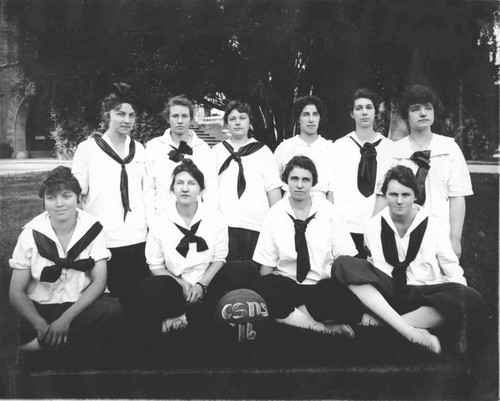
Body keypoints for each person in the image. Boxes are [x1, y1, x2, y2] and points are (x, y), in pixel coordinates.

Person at [333, 166, 482, 354]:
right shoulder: (373, 225)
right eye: (393, 194)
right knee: (343, 264)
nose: (399, 201)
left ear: (415, 196)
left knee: (472, 299)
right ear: (385, 195)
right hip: (388, 291)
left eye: (405, 195)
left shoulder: (433, 224)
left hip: (424, 292)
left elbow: (451, 269)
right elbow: (372, 266)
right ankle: (409, 332)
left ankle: (385, 323)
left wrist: (460, 298)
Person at [124, 160, 259, 339]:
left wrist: (202, 285)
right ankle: (201, 317)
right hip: (176, 287)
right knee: (142, 288)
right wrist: (181, 284)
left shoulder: (214, 218)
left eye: (191, 183)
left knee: (246, 268)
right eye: (179, 183)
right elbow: (155, 265)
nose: (185, 188)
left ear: (201, 189)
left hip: (208, 284)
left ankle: (183, 319)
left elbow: (219, 258)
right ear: (172, 189)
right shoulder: (160, 221)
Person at [9, 166, 122, 352]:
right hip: (43, 305)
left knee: (113, 311)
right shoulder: (30, 234)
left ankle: (41, 344)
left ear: (78, 198)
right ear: (44, 202)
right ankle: (60, 339)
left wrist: (66, 319)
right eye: (51, 197)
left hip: (81, 304)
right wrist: (39, 323)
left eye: (66, 196)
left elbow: (99, 282)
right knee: (22, 320)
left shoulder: (92, 230)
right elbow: (16, 291)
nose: (59, 203)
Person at [253, 156, 364, 337]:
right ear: (286, 181)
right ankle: (325, 329)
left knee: (344, 302)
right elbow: (267, 265)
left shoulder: (329, 211)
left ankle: (291, 316)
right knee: (267, 287)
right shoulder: (275, 214)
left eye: (306, 180)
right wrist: (266, 291)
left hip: (320, 285)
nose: (299, 185)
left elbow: (345, 258)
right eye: (294, 179)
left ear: (313, 183)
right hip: (288, 283)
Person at [72, 83, 149, 299]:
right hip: (104, 238)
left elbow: (145, 191)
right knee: (112, 299)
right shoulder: (88, 149)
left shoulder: (140, 149)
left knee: (138, 297)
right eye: (120, 113)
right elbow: (77, 195)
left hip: (137, 236)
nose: (127, 120)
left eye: (132, 115)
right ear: (108, 115)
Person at [392, 84, 472, 258]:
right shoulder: (395, 151)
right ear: (406, 115)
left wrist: (455, 238)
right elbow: (385, 196)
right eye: (415, 109)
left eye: (428, 108)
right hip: (402, 232)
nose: (423, 113)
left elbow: (457, 196)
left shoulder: (449, 148)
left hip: (439, 232)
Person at [212, 100, 282, 261]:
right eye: (232, 119)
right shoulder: (216, 152)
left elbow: (273, 190)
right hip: (225, 225)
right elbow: (210, 190)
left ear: (249, 121)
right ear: (226, 123)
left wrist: (276, 224)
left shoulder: (263, 152)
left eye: (242, 118)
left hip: (257, 225)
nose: (237, 122)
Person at [329, 89, 394, 258]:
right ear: (352, 113)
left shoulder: (390, 148)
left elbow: (390, 190)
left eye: (369, 107)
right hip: (345, 227)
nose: (364, 112)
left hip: (378, 225)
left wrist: (375, 226)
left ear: (376, 111)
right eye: (358, 108)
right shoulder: (339, 146)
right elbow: (331, 189)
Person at [143, 95, 218, 224]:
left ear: (190, 119)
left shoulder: (204, 149)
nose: (180, 121)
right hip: (163, 221)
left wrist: (207, 221)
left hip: (196, 222)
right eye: (175, 116)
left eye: (184, 116)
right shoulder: (154, 147)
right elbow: (148, 188)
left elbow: (210, 189)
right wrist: (152, 222)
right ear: (167, 118)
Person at [274, 96, 333, 198]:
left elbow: (334, 188)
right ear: (298, 118)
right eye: (306, 115)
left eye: (315, 114)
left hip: (321, 206)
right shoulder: (285, 147)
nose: (311, 120)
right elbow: (274, 184)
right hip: (290, 205)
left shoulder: (330, 148)